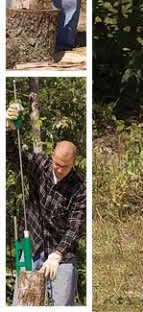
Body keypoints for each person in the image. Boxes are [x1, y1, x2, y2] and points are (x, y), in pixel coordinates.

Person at [6, 104, 86, 306]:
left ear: (73, 163)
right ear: (52, 157)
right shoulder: (40, 165)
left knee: (63, 304)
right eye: (56, 163)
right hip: (31, 245)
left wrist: (57, 255)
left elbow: (75, 226)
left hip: (62, 254)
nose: (58, 169)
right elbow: (14, 156)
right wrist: (8, 128)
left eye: (64, 166)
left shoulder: (79, 187)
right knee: (21, 304)